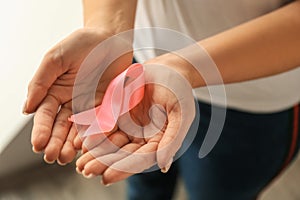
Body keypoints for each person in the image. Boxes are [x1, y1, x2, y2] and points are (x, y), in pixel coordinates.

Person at [23, 0, 300, 199]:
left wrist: (185, 67)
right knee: (142, 180)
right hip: (134, 67)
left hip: (251, 101)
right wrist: (107, 30)